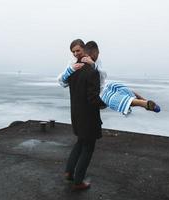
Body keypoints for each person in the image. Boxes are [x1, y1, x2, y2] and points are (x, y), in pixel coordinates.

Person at [58, 41, 161, 115]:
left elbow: (102, 77)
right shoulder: (72, 63)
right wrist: (70, 70)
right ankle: (143, 103)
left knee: (121, 88)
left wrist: (94, 65)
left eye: (78, 51)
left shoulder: (93, 60)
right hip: (93, 96)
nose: (76, 54)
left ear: (84, 50)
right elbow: (62, 82)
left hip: (102, 87)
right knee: (116, 98)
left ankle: (146, 102)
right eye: (73, 52)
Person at [63, 39, 106, 191]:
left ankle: (69, 172)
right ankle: (78, 181)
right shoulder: (92, 72)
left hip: (76, 114)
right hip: (89, 118)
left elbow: (66, 84)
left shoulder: (73, 71)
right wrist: (105, 103)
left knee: (80, 143)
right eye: (97, 54)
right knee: (88, 148)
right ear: (93, 53)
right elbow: (93, 99)